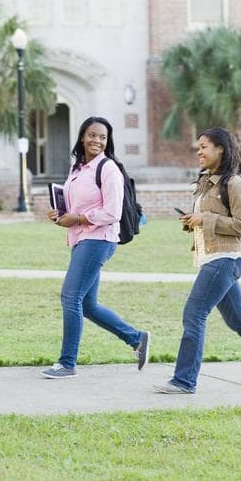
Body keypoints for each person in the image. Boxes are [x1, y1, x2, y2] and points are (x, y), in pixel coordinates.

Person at [154, 127, 241, 394]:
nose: (199, 152)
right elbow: (211, 219)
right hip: (215, 255)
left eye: (204, 146)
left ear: (221, 149)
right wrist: (193, 222)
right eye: (198, 147)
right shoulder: (207, 181)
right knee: (237, 319)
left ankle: (184, 381)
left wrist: (205, 219)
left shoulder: (235, 183)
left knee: (194, 313)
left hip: (228, 257)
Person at [42, 116, 150, 379]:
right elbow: (77, 205)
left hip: (99, 240)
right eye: (92, 135)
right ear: (82, 137)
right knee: (87, 305)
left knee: (70, 297)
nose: (97, 141)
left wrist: (77, 218)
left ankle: (67, 364)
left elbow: (112, 212)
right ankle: (136, 339)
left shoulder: (109, 169)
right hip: (80, 239)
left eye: (102, 137)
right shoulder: (78, 168)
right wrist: (61, 214)